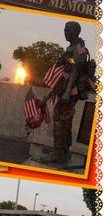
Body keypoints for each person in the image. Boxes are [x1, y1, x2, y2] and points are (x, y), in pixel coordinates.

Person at [41, 21, 94, 165]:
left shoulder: (78, 47)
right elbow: (63, 71)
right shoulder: (70, 47)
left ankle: (58, 155)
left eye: (68, 30)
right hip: (65, 88)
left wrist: (66, 92)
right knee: (64, 120)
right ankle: (63, 152)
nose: (65, 33)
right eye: (65, 30)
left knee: (60, 120)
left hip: (71, 91)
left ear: (76, 32)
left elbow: (75, 69)